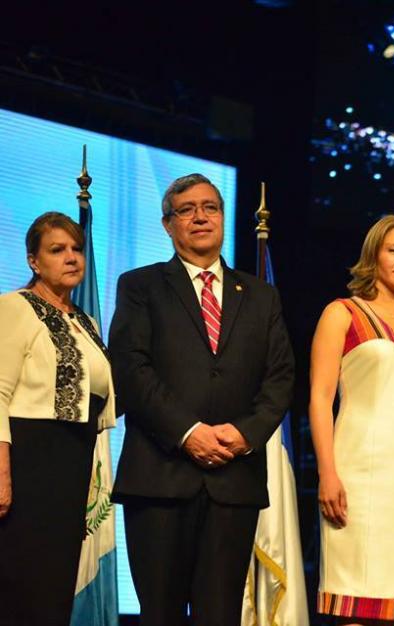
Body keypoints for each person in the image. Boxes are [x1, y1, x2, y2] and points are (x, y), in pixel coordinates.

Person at [109, 173, 294, 626]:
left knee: (220, 614)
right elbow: (131, 369)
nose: (200, 217)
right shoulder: (140, 286)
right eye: (187, 209)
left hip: (234, 480)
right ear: (168, 224)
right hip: (159, 479)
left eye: (210, 207)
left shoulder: (260, 295)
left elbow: (281, 377)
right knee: (161, 614)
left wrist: (246, 433)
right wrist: (188, 433)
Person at [311, 215, 394, 623]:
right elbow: (319, 398)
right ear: (373, 256)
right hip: (357, 476)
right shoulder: (343, 313)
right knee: (354, 603)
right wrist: (327, 473)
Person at [0, 212, 117, 625]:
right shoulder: (15, 307)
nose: (71, 257)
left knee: (54, 587)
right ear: (34, 260)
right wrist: (2, 472)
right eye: (57, 250)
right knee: (21, 585)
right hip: (29, 459)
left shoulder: (83, 322)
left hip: (72, 464)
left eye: (77, 249)